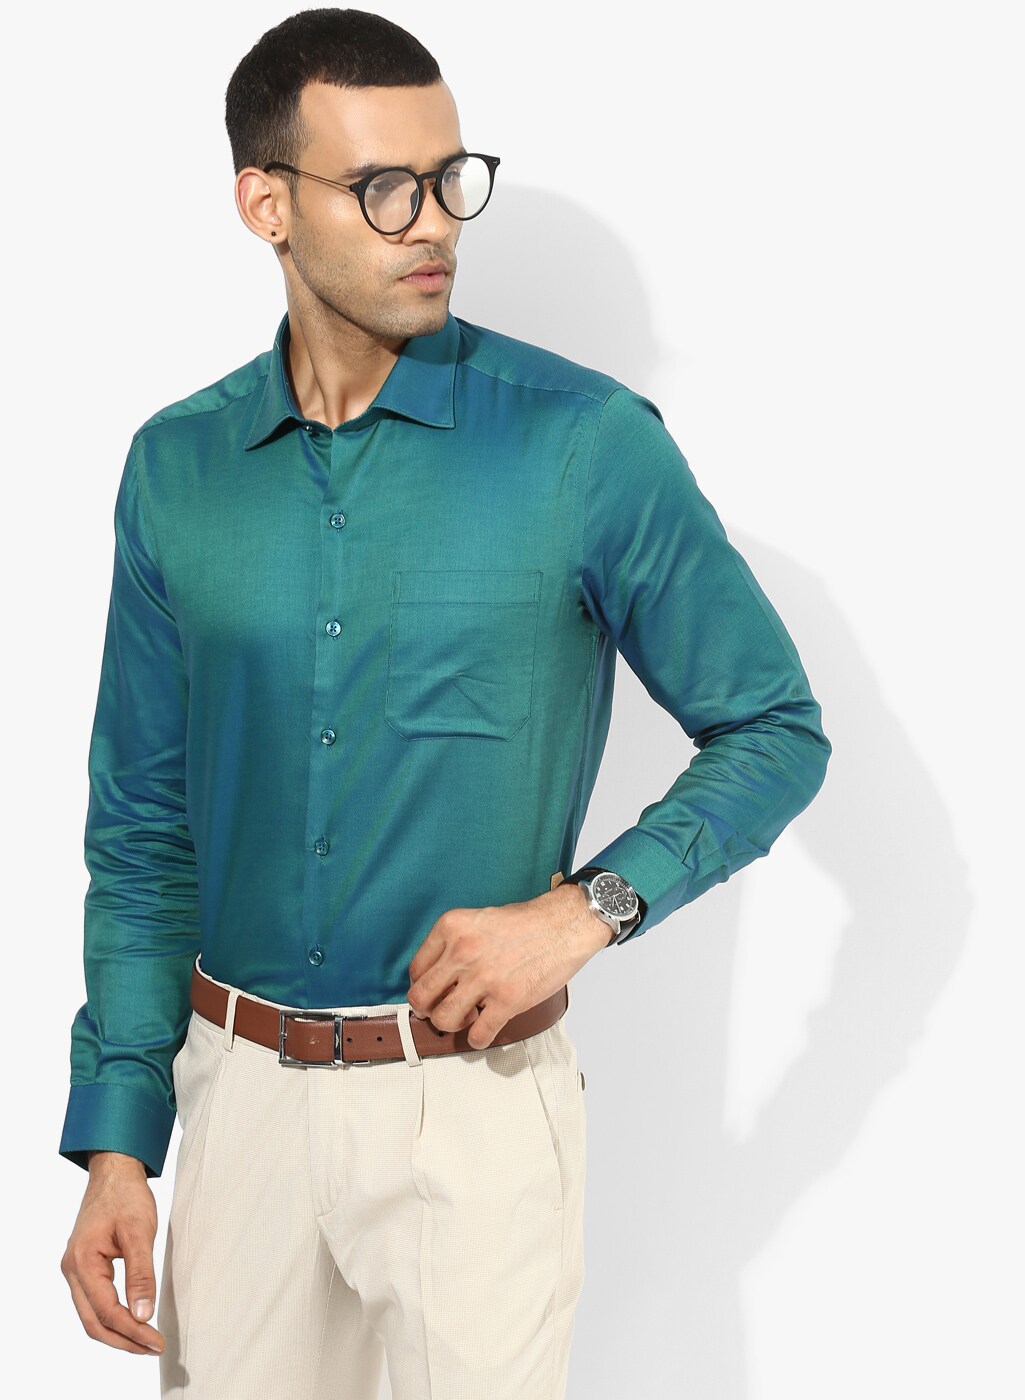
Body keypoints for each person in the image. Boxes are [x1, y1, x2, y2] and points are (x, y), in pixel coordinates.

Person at [58, 8, 831, 1398]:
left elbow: (773, 726)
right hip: (234, 1102)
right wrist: (121, 1136)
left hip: (469, 1109)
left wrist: (585, 911)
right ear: (265, 204)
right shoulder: (177, 467)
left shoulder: (585, 446)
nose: (434, 225)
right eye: (381, 187)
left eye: (447, 177)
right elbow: (143, 825)